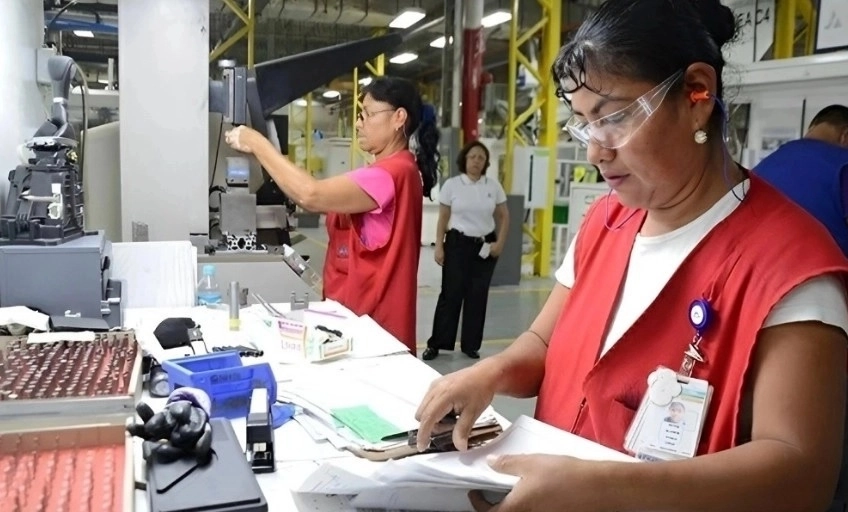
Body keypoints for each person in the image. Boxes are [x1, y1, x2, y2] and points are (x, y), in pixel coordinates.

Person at [414, 0, 848, 510]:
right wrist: (492, 372)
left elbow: (800, 472)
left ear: (697, 94)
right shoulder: (607, 222)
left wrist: (600, 487)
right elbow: (542, 343)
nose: (597, 150)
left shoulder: (790, 265)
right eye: (583, 123)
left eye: (613, 117)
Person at [224, 77, 439, 355]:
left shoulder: (390, 175)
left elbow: (310, 195)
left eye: (367, 114)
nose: (359, 123)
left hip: (371, 331)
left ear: (399, 118)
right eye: (359, 115)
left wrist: (257, 143)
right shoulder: (399, 170)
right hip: (361, 322)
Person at [423, 141, 509, 361]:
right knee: (450, 294)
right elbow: (443, 217)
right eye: (473, 157)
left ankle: (471, 345)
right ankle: (437, 343)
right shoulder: (452, 185)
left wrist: (499, 243)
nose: (476, 161)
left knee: (477, 296)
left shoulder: (493, 186)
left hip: (484, 246)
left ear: (486, 162)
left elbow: (504, 216)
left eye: (481, 157)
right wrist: (439, 246)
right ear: (465, 160)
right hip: (457, 245)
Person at [755, 105, 848, 256]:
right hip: (820, 271)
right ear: (845, 135)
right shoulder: (843, 164)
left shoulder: (764, 165)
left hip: (757, 268)